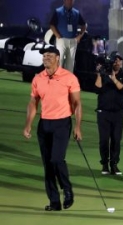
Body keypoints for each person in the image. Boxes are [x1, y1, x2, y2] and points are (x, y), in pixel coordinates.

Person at [23, 46, 82, 211]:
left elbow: (77, 104)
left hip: (62, 123)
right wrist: (28, 124)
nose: (46, 58)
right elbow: (33, 103)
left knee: (56, 159)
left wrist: (78, 126)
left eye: (49, 55)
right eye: (44, 56)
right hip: (44, 124)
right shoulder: (38, 78)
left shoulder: (69, 78)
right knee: (47, 165)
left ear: (58, 57)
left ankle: (67, 189)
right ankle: (54, 202)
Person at [94, 52, 123, 175]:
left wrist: (113, 78)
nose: (118, 62)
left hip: (118, 113)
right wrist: (99, 74)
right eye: (115, 60)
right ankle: (104, 164)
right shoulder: (103, 74)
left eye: (120, 60)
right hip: (103, 112)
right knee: (104, 140)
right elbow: (97, 89)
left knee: (116, 140)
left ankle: (114, 164)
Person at [49, 0, 86, 72]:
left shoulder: (76, 13)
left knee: (70, 64)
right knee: (59, 61)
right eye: (68, 0)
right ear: (64, 1)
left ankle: (68, 82)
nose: (70, 2)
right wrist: (58, 35)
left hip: (73, 40)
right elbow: (51, 24)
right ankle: (57, 80)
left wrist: (79, 36)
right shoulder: (58, 11)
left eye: (72, 0)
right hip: (61, 40)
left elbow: (84, 25)